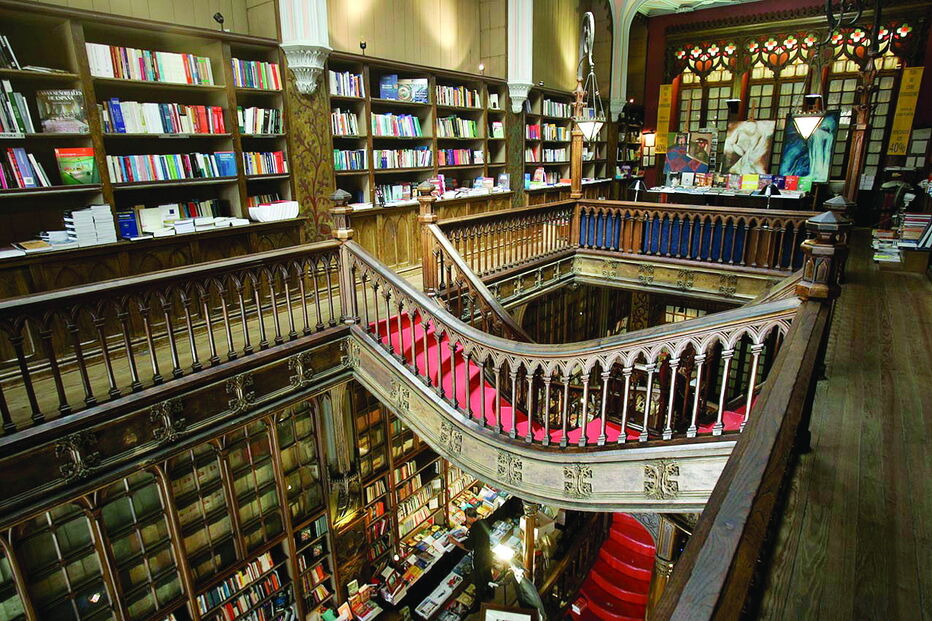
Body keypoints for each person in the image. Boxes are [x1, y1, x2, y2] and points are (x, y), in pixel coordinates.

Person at [449, 507, 493, 610]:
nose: (466, 520)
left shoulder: (474, 529)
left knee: (479, 582)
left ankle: (478, 605)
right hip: (487, 555)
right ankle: (491, 593)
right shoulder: (483, 521)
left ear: (469, 517)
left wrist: (454, 542)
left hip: (479, 558)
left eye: (466, 517)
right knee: (488, 575)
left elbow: (468, 548)